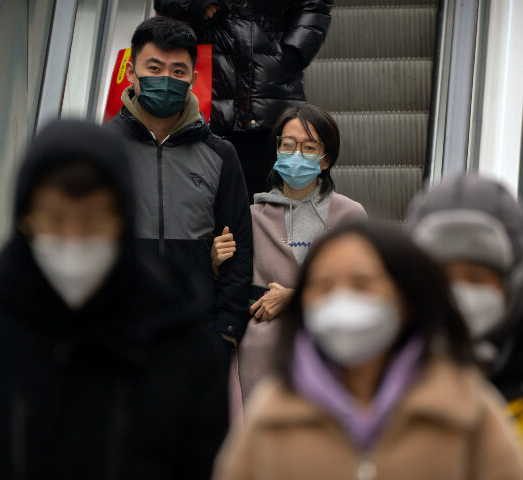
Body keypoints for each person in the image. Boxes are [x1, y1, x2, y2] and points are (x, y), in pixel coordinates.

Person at [0, 120, 228, 478]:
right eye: (53, 219)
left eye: (94, 220)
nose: (72, 238)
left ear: (124, 220)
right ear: (23, 218)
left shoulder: (178, 344)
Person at [213, 222, 523, 480]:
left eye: (362, 284)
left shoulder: (463, 407)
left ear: (405, 298)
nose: (341, 301)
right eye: (323, 286)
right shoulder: (274, 414)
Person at [407, 175, 523, 480]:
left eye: (476, 276)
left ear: (513, 280)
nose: (457, 292)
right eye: (440, 276)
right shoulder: (376, 371)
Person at [109, 16, 253, 355]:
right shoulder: (101, 150)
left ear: (193, 77)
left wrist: (226, 331)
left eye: (177, 72)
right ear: (131, 72)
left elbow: (240, 247)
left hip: (194, 339)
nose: (166, 80)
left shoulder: (220, 155)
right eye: (154, 68)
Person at [211, 104, 367, 402]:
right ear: (277, 150)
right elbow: (231, 285)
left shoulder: (349, 214)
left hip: (327, 350)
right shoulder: (251, 215)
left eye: (309, 147)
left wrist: (295, 297)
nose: (296, 154)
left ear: (325, 160)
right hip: (259, 353)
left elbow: (362, 287)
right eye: (288, 145)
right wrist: (217, 263)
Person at [153, 0, 333, 196]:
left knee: (270, 201)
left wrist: (293, 53)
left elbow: (314, 4)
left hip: (270, 91)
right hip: (210, 91)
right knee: (209, 199)